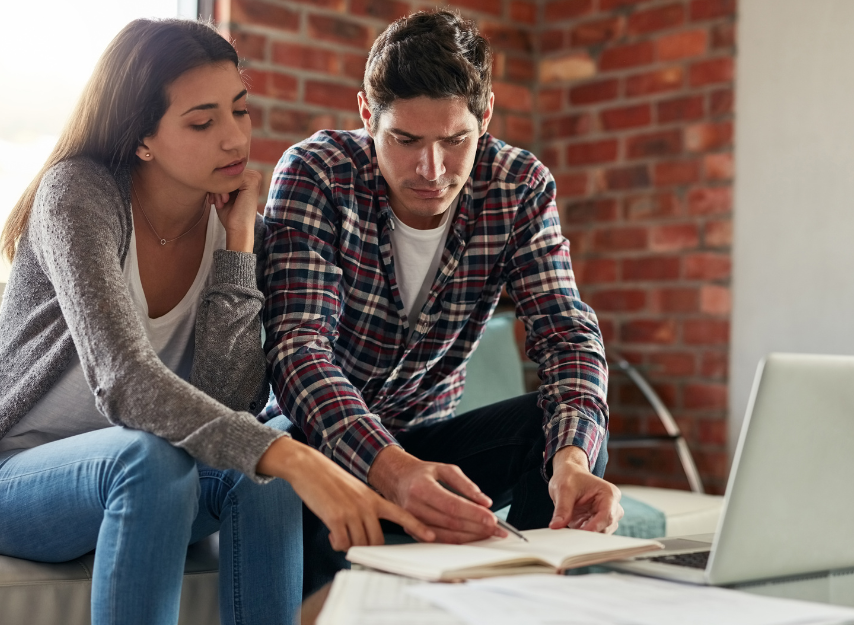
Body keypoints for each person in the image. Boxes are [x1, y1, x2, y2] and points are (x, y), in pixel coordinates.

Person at [0, 18, 430, 625]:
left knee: (262, 454)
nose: (235, 139)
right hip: (2, 480)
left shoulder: (237, 230)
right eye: (203, 123)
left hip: (150, 480)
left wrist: (236, 250)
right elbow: (123, 381)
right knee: (167, 456)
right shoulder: (77, 196)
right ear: (141, 139)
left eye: (240, 111)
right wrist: (295, 457)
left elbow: (228, 405)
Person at [262, 8, 625, 594]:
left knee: (561, 429)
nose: (432, 170)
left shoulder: (518, 185)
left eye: (455, 140)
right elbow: (297, 351)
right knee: (291, 449)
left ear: (485, 117)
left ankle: (526, 603)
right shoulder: (317, 174)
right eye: (405, 140)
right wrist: (393, 469)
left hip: (433, 442)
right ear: (366, 115)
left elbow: (567, 335)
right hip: (325, 446)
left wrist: (573, 460)